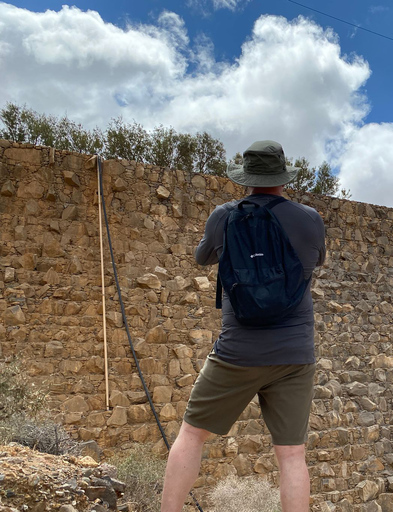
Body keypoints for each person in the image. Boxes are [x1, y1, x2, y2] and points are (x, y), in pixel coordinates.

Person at [160, 140, 326, 512]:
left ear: (246, 178)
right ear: (283, 176)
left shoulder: (225, 215)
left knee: (191, 435)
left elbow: (202, 257)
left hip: (237, 352)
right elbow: (316, 262)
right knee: (292, 455)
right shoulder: (310, 219)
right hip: (296, 353)